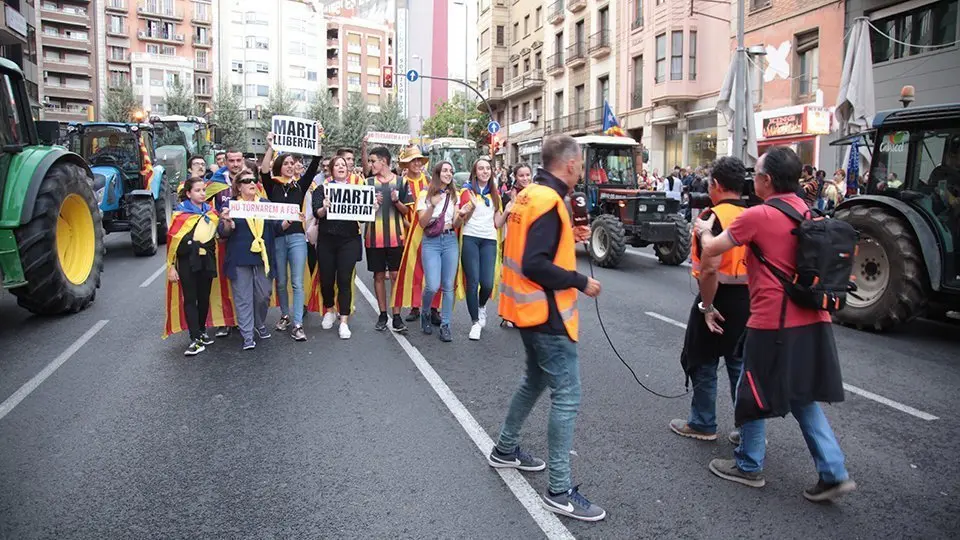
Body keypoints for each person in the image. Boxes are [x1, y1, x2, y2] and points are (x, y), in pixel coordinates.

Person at [694, 146, 855, 502]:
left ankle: (748, 465)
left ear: (766, 180)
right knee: (803, 397)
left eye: (757, 175)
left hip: (773, 322)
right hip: (814, 318)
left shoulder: (760, 215)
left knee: (750, 390)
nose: (754, 180)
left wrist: (703, 229)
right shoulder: (807, 210)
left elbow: (712, 250)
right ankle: (833, 471)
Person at [490, 134, 605, 522]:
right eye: (580, 165)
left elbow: (531, 248)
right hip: (547, 313)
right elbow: (536, 264)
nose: (581, 171)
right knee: (567, 396)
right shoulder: (550, 200)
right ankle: (559, 491)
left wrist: (569, 237)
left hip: (526, 310)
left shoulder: (529, 194)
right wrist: (579, 280)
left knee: (535, 380)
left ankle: (505, 449)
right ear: (570, 165)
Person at [670, 156, 751, 443]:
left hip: (718, 296)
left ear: (715, 184)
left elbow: (709, 268)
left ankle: (703, 422)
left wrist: (707, 305)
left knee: (702, 359)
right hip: (748, 299)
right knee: (738, 365)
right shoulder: (754, 214)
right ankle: (748, 431)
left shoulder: (711, 217)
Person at [260, 132, 321, 341]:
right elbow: (264, 170)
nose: (289, 165)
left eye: (292, 163)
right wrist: (269, 146)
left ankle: (297, 324)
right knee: (281, 281)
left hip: (296, 238)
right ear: (280, 166)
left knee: (297, 282)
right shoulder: (273, 185)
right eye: (286, 162)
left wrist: (318, 142)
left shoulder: (300, 186)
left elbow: (314, 165)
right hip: (277, 237)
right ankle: (285, 314)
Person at [218, 167, 276, 350]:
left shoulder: (265, 204)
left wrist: (290, 220)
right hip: (239, 258)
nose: (252, 183)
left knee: (263, 296)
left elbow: (277, 228)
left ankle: (259, 324)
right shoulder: (231, 206)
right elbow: (223, 233)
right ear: (238, 187)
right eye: (247, 181)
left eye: (254, 180)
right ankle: (247, 334)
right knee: (243, 298)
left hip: (263, 258)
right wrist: (227, 222)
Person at [164, 176, 220, 356]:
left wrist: (225, 220)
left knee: (204, 297)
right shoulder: (180, 215)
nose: (202, 193)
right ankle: (194, 338)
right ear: (188, 193)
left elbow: (219, 233)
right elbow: (172, 242)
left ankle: (202, 331)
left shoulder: (211, 213)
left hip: (207, 259)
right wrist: (171, 266)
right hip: (188, 260)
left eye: (203, 190)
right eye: (197, 190)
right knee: (190, 298)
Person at [311, 156, 363, 339]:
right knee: (326, 279)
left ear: (348, 169)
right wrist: (324, 208)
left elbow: (363, 217)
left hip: (349, 240)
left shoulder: (356, 190)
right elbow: (317, 212)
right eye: (337, 165)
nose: (341, 167)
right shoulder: (321, 189)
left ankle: (344, 321)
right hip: (327, 240)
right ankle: (330, 309)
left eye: (344, 165)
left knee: (344, 279)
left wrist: (372, 207)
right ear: (331, 170)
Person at [417, 161, 467, 341]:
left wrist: (461, 216)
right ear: (437, 173)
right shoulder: (425, 193)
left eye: (451, 171)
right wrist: (432, 204)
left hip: (450, 240)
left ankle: (446, 325)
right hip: (431, 241)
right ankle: (425, 312)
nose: (449, 173)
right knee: (432, 285)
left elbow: (455, 223)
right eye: (445, 170)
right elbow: (422, 223)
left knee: (448, 286)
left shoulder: (454, 195)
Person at [458, 158, 506, 341]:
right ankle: (475, 322)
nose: (485, 171)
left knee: (487, 283)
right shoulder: (466, 191)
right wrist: (470, 205)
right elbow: (463, 219)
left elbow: (497, 222)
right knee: (473, 281)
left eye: (488, 168)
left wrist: (508, 211)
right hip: (470, 237)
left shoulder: (495, 194)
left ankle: (482, 305)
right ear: (475, 172)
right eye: (481, 168)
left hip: (489, 240)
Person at [365, 146, 411, 333]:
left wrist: (396, 201)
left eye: (373, 161)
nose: (370, 164)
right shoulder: (367, 183)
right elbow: (361, 214)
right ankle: (382, 314)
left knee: (394, 276)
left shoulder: (401, 182)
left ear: (383, 161)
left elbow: (407, 211)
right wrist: (372, 205)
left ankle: (397, 316)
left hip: (396, 238)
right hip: (373, 237)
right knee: (378, 276)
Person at [394, 145, 439, 325]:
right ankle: (415, 306)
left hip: (430, 229)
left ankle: (434, 308)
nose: (417, 163)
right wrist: (409, 226)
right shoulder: (401, 183)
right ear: (407, 163)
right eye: (413, 160)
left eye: (419, 160)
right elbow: (398, 211)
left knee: (434, 270)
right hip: (409, 232)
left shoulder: (429, 182)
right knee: (415, 269)